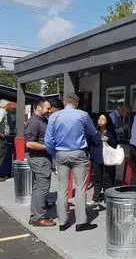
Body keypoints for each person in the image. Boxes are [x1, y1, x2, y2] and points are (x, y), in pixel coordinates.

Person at [45, 93, 97, 232]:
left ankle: (63, 222)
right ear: (77, 103)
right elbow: (92, 131)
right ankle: (81, 222)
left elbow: (48, 140)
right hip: (78, 152)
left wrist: (53, 153)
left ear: (64, 102)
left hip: (60, 153)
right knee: (80, 188)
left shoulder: (54, 116)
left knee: (62, 188)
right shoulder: (82, 115)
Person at [25, 99, 55, 227]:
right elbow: (29, 143)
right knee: (43, 188)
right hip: (39, 159)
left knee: (38, 189)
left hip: (42, 159)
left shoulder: (43, 121)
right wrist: (47, 147)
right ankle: (39, 218)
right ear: (38, 108)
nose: (50, 110)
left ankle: (35, 216)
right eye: (47, 108)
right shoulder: (34, 122)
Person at [88, 113, 118, 205]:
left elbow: (115, 144)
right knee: (97, 179)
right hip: (97, 158)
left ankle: (107, 198)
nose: (100, 121)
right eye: (99, 119)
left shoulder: (111, 132)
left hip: (108, 159)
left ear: (107, 121)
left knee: (108, 179)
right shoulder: (95, 131)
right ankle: (95, 198)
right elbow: (91, 144)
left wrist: (108, 140)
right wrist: (91, 156)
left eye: (103, 119)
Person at [0, 100, 9, 182]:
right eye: (8, 105)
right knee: (1, 156)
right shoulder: (2, 111)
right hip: (1, 138)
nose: (9, 107)